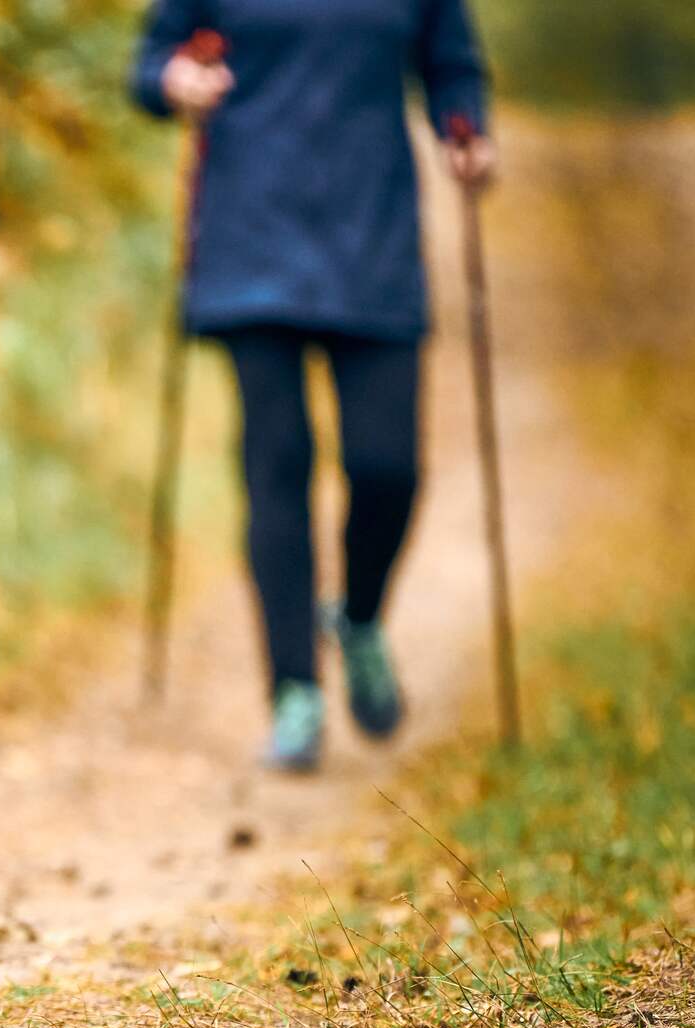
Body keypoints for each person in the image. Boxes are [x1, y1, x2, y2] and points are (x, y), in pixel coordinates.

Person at [131, 0, 496, 772]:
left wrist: (467, 128)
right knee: (278, 464)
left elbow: (452, 66)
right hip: (250, 239)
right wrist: (176, 78)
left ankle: (358, 618)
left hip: (375, 240)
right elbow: (151, 62)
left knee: (387, 468)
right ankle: (294, 692)